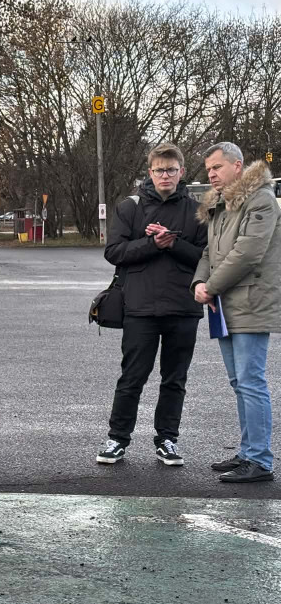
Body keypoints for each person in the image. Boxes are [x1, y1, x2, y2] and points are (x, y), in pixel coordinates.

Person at [97, 143, 207, 466]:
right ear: (150, 172)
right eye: (159, 170)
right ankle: (117, 439)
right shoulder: (129, 208)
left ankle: (167, 440)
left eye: (171, 170)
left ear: (181, 172)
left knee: (175, 379)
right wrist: (152, 244)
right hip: (140, 308)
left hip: (183, 308)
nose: (165, 175)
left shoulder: (198, 211)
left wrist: (173, 243)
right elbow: (113, 252)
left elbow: (206, 258)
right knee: (131, 378)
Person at [192, 142, 281, 484]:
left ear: (238, 166)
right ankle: (248, 452)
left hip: (250, 302)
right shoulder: (220, 205)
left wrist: (211, 287)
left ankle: (260, 460)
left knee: (251, 381)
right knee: (238, 382)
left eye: (217, 167)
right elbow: (209, 253)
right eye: (208, 169)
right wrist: (200, 282)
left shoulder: (261, 200)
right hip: (224, 304)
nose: (211, 174)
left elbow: (248, 253)